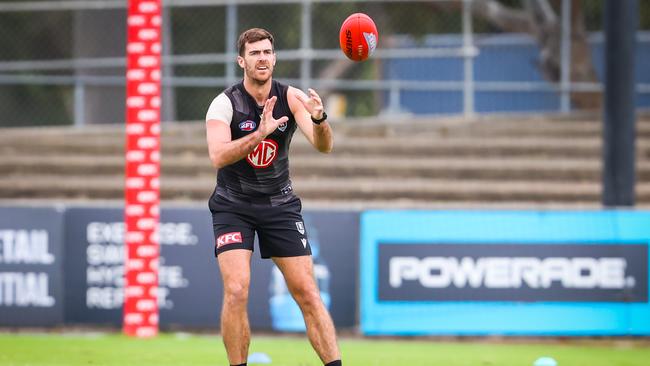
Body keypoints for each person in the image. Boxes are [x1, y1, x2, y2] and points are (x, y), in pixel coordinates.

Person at [204, 28, 342, 366]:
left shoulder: (291, 97)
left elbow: (324, 146)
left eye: (267, 52)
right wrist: (259, 134)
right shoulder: (224, 104)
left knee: (309, 293)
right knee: (237, 291)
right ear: (242, 61)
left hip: (279, 204)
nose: (262, 58)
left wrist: (321, 119)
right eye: (254, 53)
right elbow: (218, 156)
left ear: (275, 58)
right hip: (233, 206)